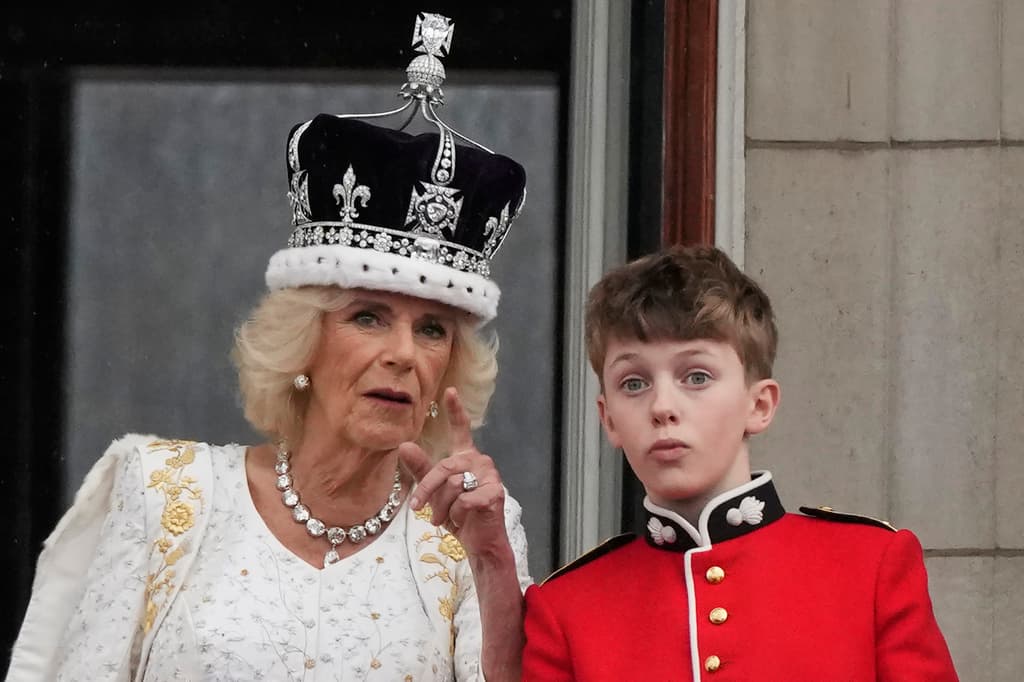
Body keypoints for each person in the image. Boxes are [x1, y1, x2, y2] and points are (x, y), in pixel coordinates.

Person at [8, 13, 532, 682]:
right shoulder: (162, 492)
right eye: (368, 317)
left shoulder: (469, 530)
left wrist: (490, 563)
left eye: (433, 329)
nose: (405, 352)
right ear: (304, 342)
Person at [520, 245, 958, 680]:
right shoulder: (566, 609)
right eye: (633, 383)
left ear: (759, 405)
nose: (662, 406)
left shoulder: (870, 566)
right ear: (608, 418)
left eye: (696, 376)